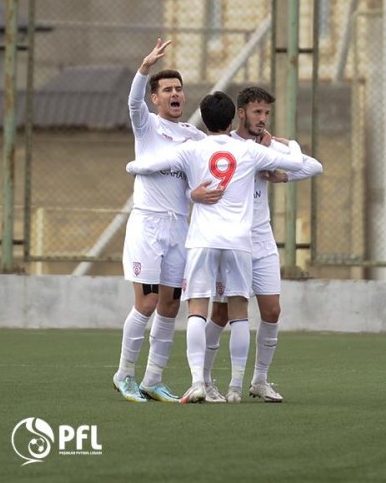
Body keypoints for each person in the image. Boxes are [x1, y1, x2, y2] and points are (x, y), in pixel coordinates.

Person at [125, 91, 304, 403]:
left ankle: (198, 382)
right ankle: (235, 388)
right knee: (239, 313)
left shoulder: (192, 149)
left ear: (204, 121)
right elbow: (298, 164)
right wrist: (293, 145)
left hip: (202, 241)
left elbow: (148, 166)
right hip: (239, 243)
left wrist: (133, 167)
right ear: (233, 118)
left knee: (198, 310)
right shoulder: (249, 150)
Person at [113, 38, 222, 403]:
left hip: (179, 228)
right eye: (168, 90)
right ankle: (124, 374)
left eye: (179, 89)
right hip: (148, 225)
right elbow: (133, 102)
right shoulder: (146, 125)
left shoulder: (192, 136)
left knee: (170, 305)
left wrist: (195, 195)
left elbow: (200, 172)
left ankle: (153, 379)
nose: (175, 94)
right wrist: (145, 68)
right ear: (155, 98)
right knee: (146, 303)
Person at [198, 86, 323, 403]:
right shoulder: (228, 145)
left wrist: (283, 172)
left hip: (262, 239)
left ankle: (260, 381)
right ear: (240, 113)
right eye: (257, 112)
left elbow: (313, 166)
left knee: (272, 310)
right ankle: (204, 380)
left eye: (267, 112)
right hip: (230, 239)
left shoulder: (268, 146)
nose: (263, 118)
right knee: (221, 314)